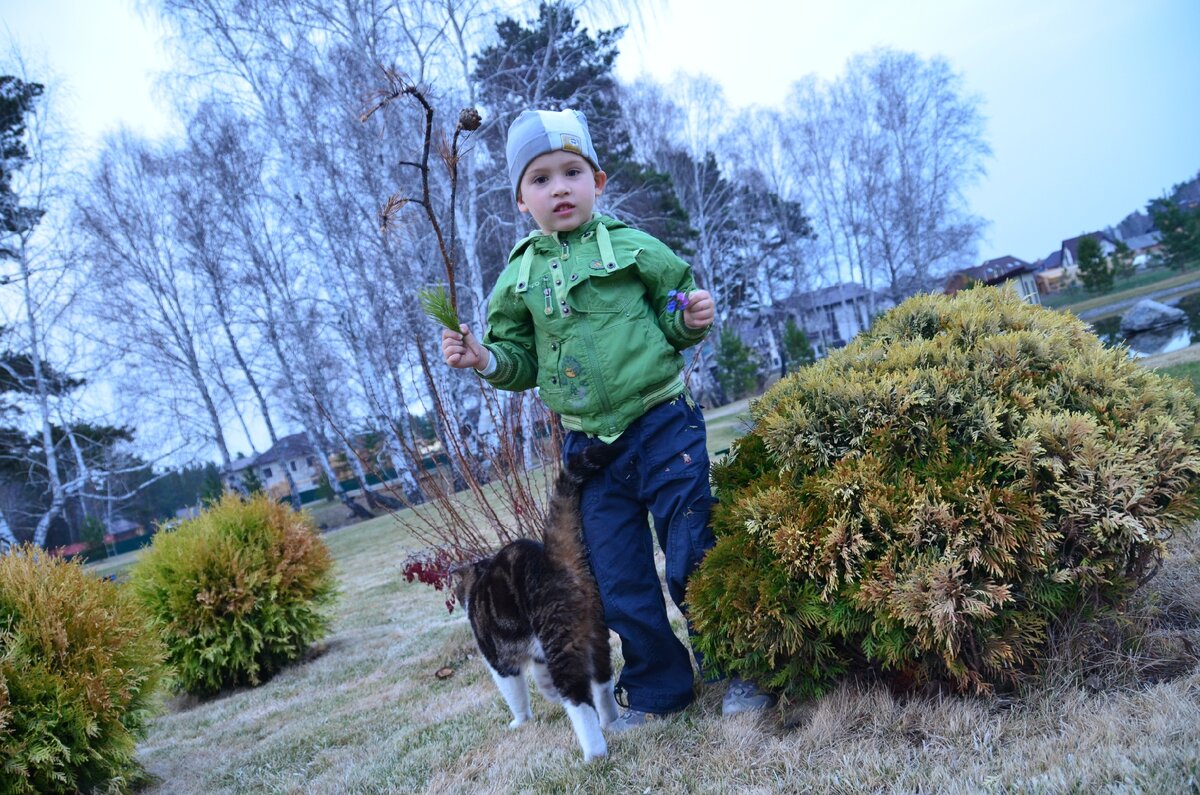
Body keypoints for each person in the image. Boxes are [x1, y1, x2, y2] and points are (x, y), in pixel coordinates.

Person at [441, 108, 772, 729]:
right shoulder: (517, 281)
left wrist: (689, 317)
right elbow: (517, 361)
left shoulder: (633, 246)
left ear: (598, 180)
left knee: (693, 553)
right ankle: (658, 688)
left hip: (662, 424)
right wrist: (482, 357)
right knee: (618, 582)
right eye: (540, 179)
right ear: (520, 200)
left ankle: (736, 666)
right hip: (590, 452)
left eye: (572, 172)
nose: (559, 188)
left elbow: (673, 301)